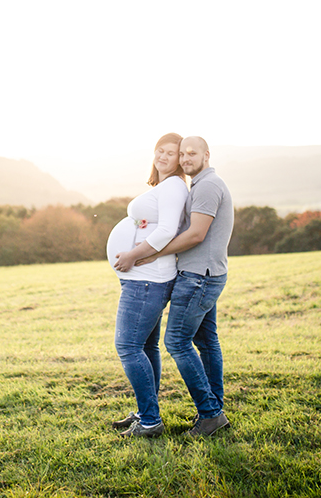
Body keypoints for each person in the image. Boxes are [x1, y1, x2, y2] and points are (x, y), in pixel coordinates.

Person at [115, 136, 234, 437]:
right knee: (206, 342)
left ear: (207, 154)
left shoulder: (206, 186)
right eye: (182, 154)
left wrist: (146, 253)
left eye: (189, 153)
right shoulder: (199, 185)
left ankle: (210, 413)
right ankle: (211, 410)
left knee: (177, 343)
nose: (184, 159)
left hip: (198, 276)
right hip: (202, 273)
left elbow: (194, 235)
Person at [104, 133, 189, 438]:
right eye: (160, 151)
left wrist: (132, 255)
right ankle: (145, 412)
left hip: (146, 280)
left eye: (171, 152)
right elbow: (157, 224)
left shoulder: (174, 187)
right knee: (145, 346)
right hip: (146, 279)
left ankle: (150, 421)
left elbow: (167, 229)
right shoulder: (165, 187)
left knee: (127, 347)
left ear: (181, 159)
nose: (164, 156)